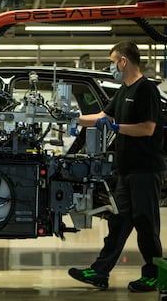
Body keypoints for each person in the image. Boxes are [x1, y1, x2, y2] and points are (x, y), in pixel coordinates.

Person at [68, 41, 165, 292]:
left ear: (123, 61)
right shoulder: (123, 91)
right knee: (118, 221)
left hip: (145, 170)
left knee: (146, 225)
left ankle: (154, 274)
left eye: (113, 62)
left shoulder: (146, 91)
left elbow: (148, 128)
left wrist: (117, 128)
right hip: (126, 171)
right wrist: (74, 119)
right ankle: (100, 271)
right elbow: (103, 117)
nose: (112, 67)